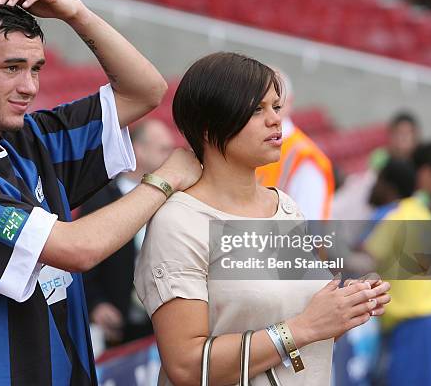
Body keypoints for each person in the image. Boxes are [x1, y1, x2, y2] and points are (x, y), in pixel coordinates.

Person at [0, 0, 201, 385]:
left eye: (35, 68)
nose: (29, 86)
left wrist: (75, 13)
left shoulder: (31, 138)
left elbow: (146, 91)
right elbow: (77, 249)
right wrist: (164, 180)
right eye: (11, 68)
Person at [134, 52, 391, 386]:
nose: (276, 120)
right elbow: (186, 366)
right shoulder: (180, 222)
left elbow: (299, 334)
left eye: (276, 106)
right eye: (257, 109)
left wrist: (343, 310)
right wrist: (306, 326)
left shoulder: (285, 207)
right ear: (210, 127)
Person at [362, 142, 431, 386]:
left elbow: (365, 259)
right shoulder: (417, 212)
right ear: (426, 172)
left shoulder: (404, 212)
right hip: (430, 323)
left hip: (418, 325)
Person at [81, 119, 174, 347]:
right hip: (119, 329)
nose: (171, 157)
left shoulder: (176, 199)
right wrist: (96, 304)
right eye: (163, 149)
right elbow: (84, 257)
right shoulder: (100, 199)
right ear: (139, 151)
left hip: (167, 322)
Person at [255, 71, 334, 220]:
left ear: (289, 102)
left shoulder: (306, 160)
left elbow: (306, 232)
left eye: (276, 105)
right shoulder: (248, 143)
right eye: (258, 105)